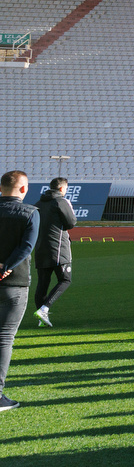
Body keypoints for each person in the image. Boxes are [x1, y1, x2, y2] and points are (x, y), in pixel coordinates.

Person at [0, 169, 39, 411]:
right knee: (4, 338)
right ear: (23, 189)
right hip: (14, 282)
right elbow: (27, 246)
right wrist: (6, 266)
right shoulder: (30, 212)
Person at [32, 177, 75, 326]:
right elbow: (71, 222)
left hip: (40, 248)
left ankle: (41, 317)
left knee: (42, 283)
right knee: (65, 279)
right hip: (58, 249)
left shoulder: (37, 204)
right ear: (62, 189)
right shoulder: (61, 202)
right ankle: (44, 309)